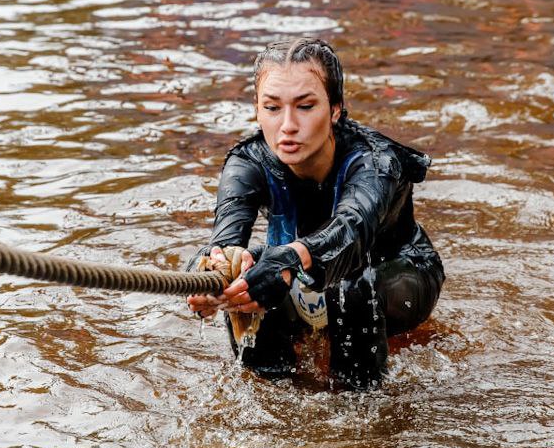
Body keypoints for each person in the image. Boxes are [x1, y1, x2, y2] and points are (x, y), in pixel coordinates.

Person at [187, 38, 443, 390]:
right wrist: (209, 277)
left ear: (335, 109)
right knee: (248, 272)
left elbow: (351, 228)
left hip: (393, 278)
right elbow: (224, 243)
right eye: (272, 108)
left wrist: (290, 260)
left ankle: (359, 406)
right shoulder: (247, 161)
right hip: (297, 275)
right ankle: (271, 391)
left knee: (350, 285)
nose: (288, 125)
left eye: (305, 106)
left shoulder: (376, 161)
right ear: (257, 110)